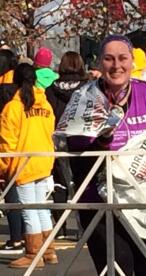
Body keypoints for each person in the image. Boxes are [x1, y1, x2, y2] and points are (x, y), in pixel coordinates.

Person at [67, 35, 146, 275]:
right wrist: (102, 142)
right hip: (101, 203)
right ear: (99, 63)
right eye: (108, 59)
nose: (116, 65)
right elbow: (76, 155)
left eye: (122, 58)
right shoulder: (83, 98)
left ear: (132, 62)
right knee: (117, 269)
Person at [0, 63, 58, 268]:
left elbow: (8, 142)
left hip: (24, 163)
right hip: (44, 160)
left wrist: (4, 168)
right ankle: (49, 251)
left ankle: (34, 254)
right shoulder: (45, 105)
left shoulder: (13, 107)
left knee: (29, 210)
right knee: (41, 208)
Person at [45, 51, 87, 239]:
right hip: (80, 137)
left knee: (59, 183)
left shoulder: (51, 88)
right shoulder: (87, 87)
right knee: (83, 182)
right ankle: (83, 228)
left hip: (57, 137)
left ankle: (60, 226)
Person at [0, 48, 25, 255]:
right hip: (26, 144)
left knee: (11, 194)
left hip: (7, 144)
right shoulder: (20, 90)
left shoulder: (3, 90)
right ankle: (24, 236)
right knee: (22, 194)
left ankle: (17, 238)